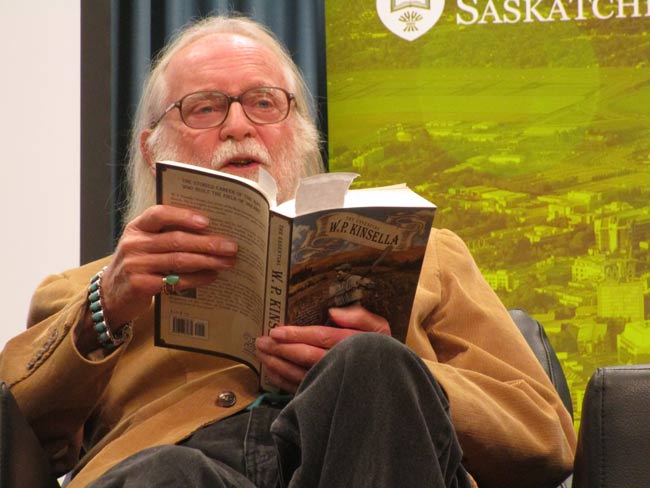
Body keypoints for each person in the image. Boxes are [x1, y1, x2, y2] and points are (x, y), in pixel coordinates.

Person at [0, 15, 576, 488]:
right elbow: (21, 432)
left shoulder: (431, 256)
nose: (237, 125)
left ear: (299, 132)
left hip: (369, 457)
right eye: (204, 107)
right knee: (164, 472)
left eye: (263, 103)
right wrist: (106, 308)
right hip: (183, 468)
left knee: (369, 366)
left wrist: (408, 378)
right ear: (153, 148)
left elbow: (545, 437)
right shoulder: (87, 289)